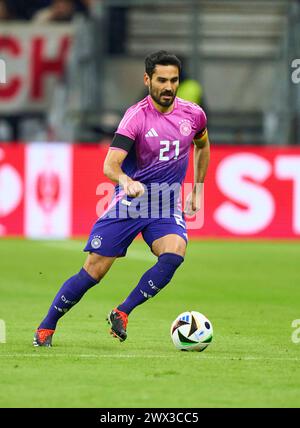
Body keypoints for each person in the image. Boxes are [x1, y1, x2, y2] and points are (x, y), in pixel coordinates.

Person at [33, 50, 210, 347]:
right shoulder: (136, 118)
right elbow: (109, 166)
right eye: (162, 80)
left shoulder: (193, 114)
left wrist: (198, 188)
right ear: (148, 79)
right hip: (130, 203)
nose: (168, 87)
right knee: (94, 270)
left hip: (165, 203)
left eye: (174, 80)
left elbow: (202, 146)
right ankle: (46, 327)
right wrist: (126, 181)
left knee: (174, 253)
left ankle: (122, 311)